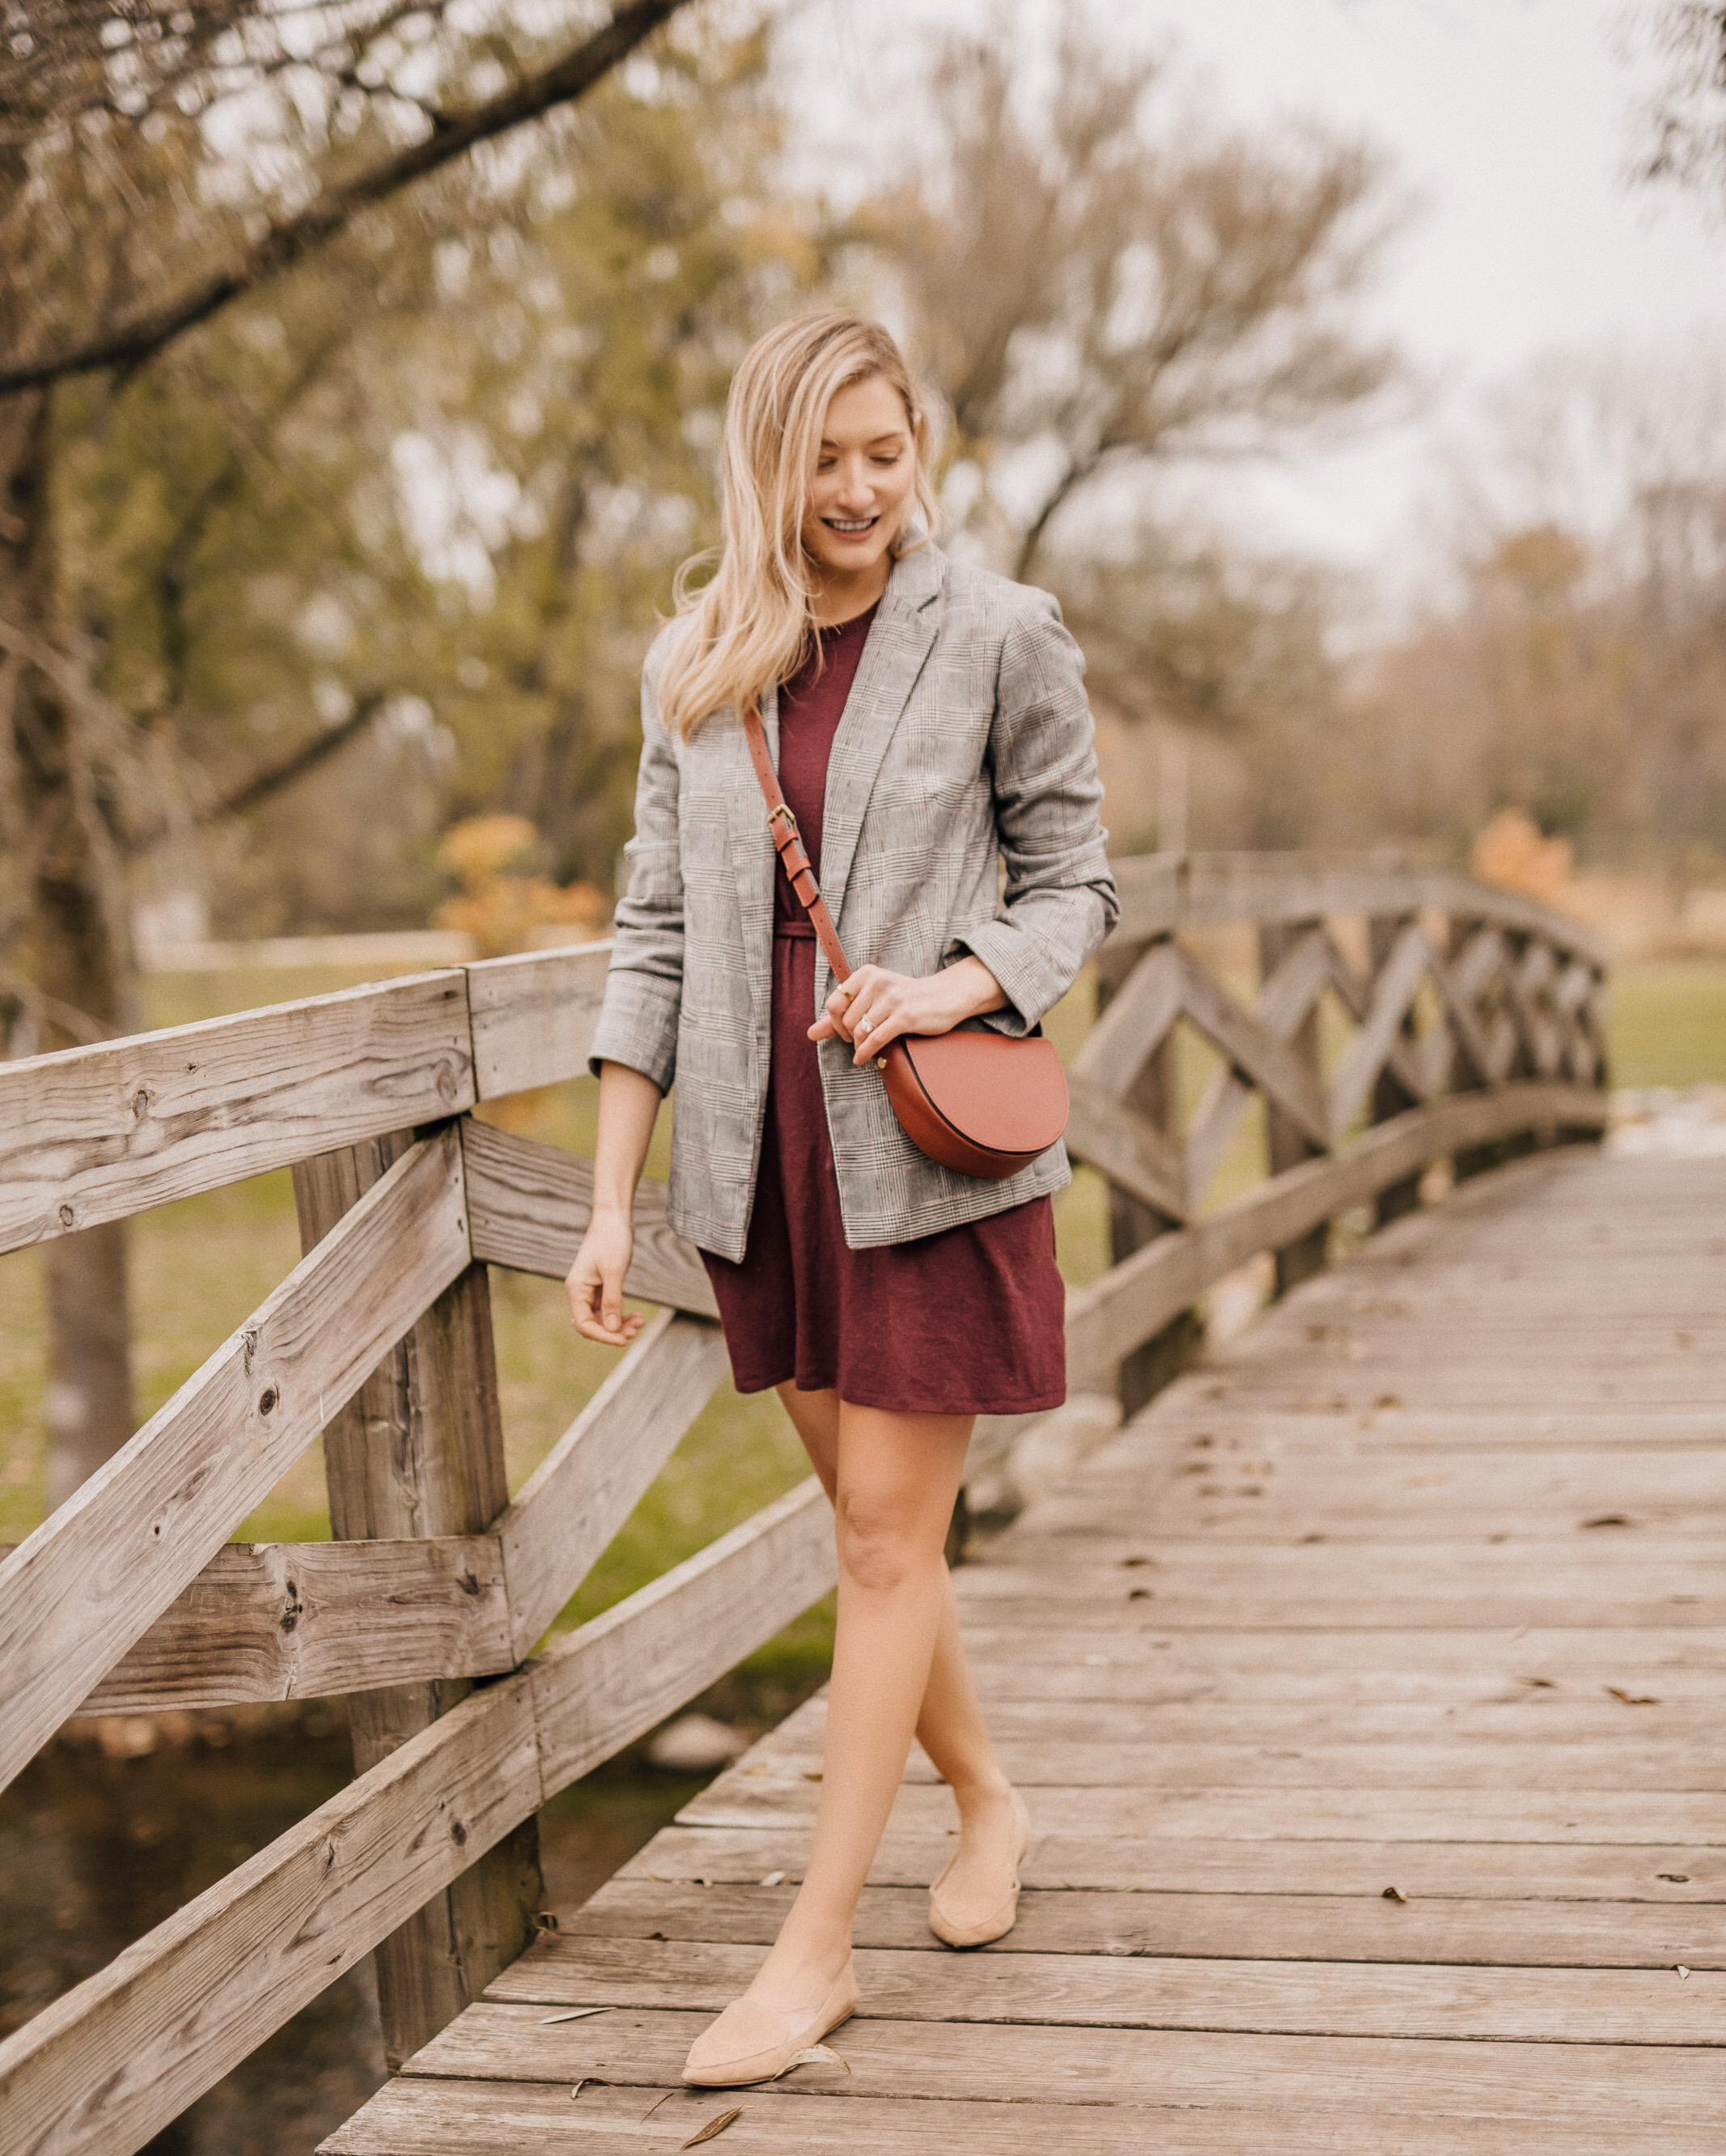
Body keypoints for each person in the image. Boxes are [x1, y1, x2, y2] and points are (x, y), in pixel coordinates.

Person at [566, 309, 1120, 2088]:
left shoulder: (1001, 634)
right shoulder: (701, 663)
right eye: (826, 457)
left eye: (888, 452)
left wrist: (954, 984)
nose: (861, 490)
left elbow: (1078, 883)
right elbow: (650, 938)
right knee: (883, 1537)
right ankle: (991, 1800)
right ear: (767, 461)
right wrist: (607, 1200)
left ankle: (812, 1956)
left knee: (882, 1548)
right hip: (765, 1175)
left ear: (919, 449)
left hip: (925, 1156)